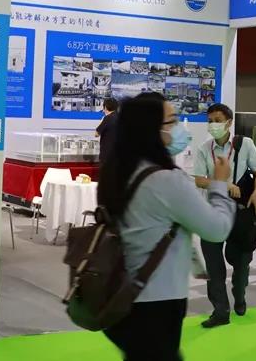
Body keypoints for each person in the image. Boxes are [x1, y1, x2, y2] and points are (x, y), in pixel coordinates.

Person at [99, 92, 234, 361]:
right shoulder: (166, 180)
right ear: (151, 130)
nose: (179, 128)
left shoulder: (118, 172)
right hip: (157, 301)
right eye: (172, 121)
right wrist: (220, 184)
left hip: (119, 295)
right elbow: (216, 229)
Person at [192, 103, 256, 328]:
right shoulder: (204, 149)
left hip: (240, 213)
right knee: (214, 266)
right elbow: (199, 179)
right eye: (210, 121)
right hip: (212, 212)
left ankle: (239, 295)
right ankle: (220, 311)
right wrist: (223, 184)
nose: (213, 125)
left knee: (241, 261)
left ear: (229, 123)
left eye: (217, 120)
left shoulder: (245, 144)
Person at [97, 97, 119, 165]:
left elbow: (96, 133)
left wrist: (102, 121)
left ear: (105, 107)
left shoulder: (107, 118)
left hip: (107, 154)